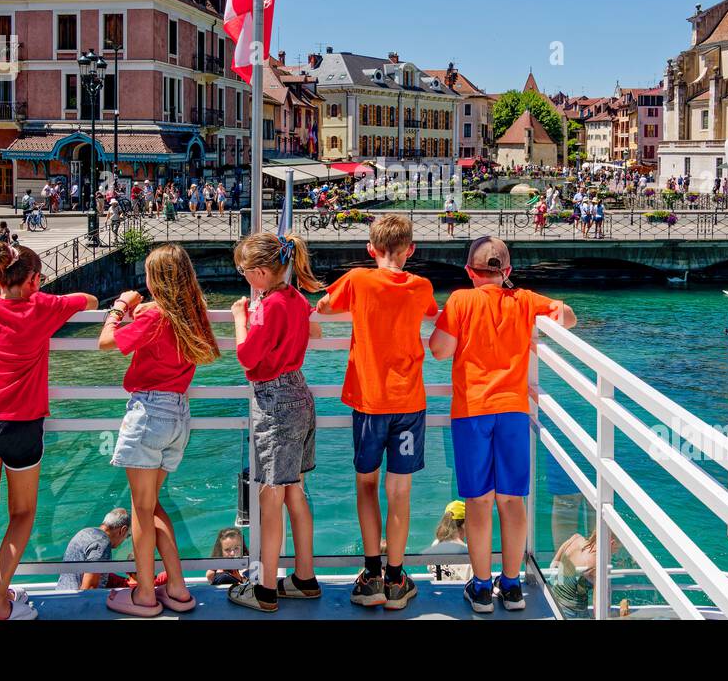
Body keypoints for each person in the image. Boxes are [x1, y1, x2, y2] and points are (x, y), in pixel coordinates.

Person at [428, 236, 576, 614]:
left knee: (478, 502)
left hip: (472, 411)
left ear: (468, 271)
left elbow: (440, 349)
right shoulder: (524, 300)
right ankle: (510, 587)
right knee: (512, 500)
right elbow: (568, 316)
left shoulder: (461, 300)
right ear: (507, 272)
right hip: (513, 411)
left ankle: (480, 588)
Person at [0, 242, 98, 619]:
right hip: (20, 423)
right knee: (22, 513)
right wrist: (44, 293)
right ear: (34, 280)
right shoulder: (43, 307)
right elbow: (90, 300)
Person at [316, 214, 438, 610]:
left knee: (366, 485)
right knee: (399, 492)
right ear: (410, 250)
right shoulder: (421, 286)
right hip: (409, 402)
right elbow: (431, 314)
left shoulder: (358, 279)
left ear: (371, 249)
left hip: (369, 400)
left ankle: (371, 576)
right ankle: (398, 578)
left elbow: (324, 306)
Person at [97, 245, 219, 617]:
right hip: (178, 415)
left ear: (157, 280)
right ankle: (178, 588)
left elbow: (106, 343)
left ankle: (145, 595)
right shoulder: (192, 315)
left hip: (149, 413)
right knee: (154, 506)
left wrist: (119, 307)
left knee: (140, 508)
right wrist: (145, 309)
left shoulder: (154, 319)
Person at [227, 231, 324, 612]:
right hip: (299, 394)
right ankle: (304, 576)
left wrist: (239, 317)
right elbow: (313, 330)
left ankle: (265, 588)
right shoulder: (297, 299)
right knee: (295, 492)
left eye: (244, 270)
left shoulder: (267, 306)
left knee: (271, 498)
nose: (243, 276)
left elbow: (249, 357)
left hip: (275, 401)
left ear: (262, 273)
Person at [55, 510, 131, 593]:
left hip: (61, 593)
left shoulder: (84, 532)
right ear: (123, 530)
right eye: (128, 536)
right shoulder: (102, 543)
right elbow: (89, 588)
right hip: (74, 602)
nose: (125, 539)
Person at [425, 501, 472, 583]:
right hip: (460, 594)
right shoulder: (467, 550)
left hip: (439, 592)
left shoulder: (436, 544)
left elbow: (430, 569)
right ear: (464, 524)